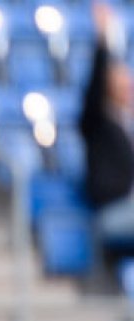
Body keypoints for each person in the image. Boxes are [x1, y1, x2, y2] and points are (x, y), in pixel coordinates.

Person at [78, 2, 134, 263]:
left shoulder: (127, 124)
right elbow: (94, 89)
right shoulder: (99, 122)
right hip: (112, 211)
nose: (128, 86)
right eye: (121, 81)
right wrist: (103, 40)